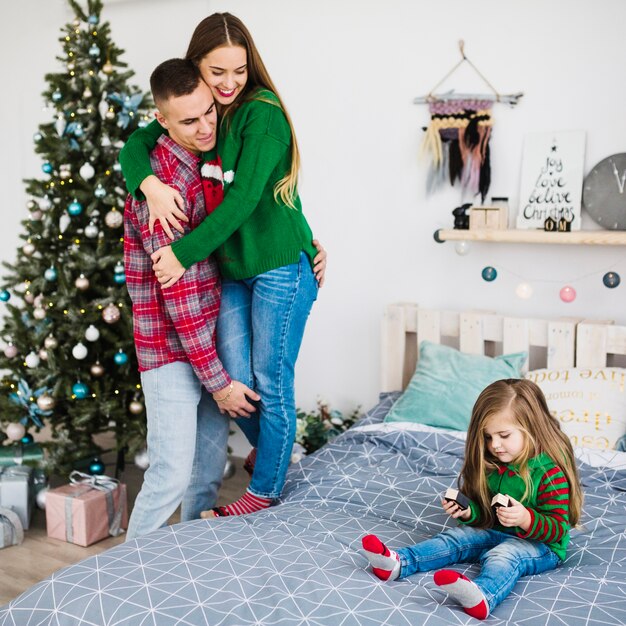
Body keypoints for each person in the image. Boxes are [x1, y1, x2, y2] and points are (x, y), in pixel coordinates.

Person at [119, 13, 324, 517]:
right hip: (228, 278)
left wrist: (181, 254)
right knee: (233, 377)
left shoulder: (257, 112)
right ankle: (275, 452)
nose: (229, 83)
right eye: (217, 72)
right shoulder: (200, 116)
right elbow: (134, 145)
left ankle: (267, 485)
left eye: (239, 70)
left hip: (276, 263)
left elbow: (246, 200)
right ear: (197, 70)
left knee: (269, 380)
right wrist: (146, 184)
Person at [123, 58, 260, 539]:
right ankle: (126, 584)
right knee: (170, 477)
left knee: (204, 479)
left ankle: (184, 579)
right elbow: (178, 299)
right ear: (162, 120)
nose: (205, 127)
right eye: (189, 120)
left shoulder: (207, 155)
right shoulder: (164, 191)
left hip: (206, 341)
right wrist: (220, 382)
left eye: (208, 113)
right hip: (171, 351)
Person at [360, 379, 583, 620]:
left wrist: (526, 519)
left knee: (505, 554)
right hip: (493, 530)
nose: (494, 445)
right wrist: (469, 512)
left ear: (532, 428)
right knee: (457, 536)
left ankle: (484, 595)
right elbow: (484, 512)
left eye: (504, 435)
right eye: (488, 437)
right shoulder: (492, 462)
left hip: (542, 545)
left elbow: (558, 529)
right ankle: (398, 562)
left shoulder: (549, 473)